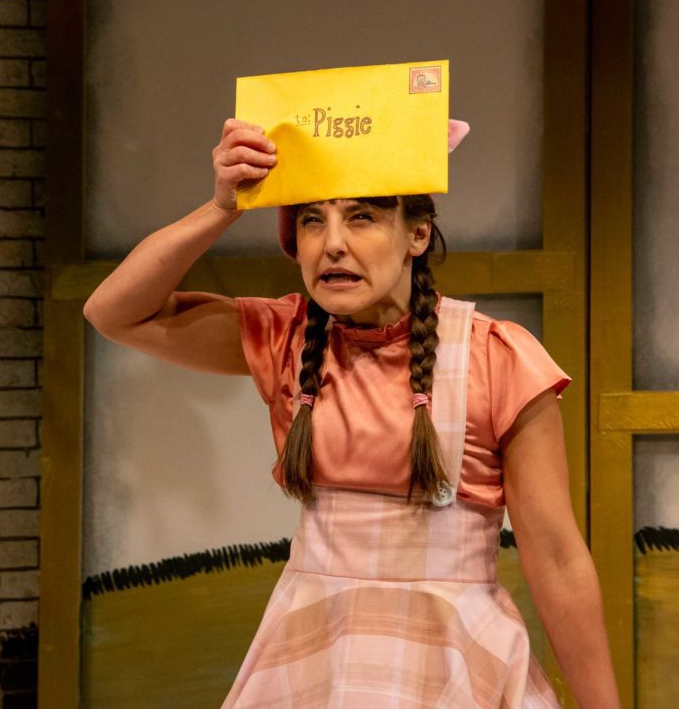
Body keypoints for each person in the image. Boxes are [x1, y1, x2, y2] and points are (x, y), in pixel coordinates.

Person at [83, 118, 621, 708]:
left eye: (361, 217)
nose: (332, 243)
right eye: (312, 220)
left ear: (418, 234)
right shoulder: (288, 338)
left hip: (452, 662)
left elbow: (557, 558)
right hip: (314, 659)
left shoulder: (494, 356)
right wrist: (223, 208)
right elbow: (114, 312)